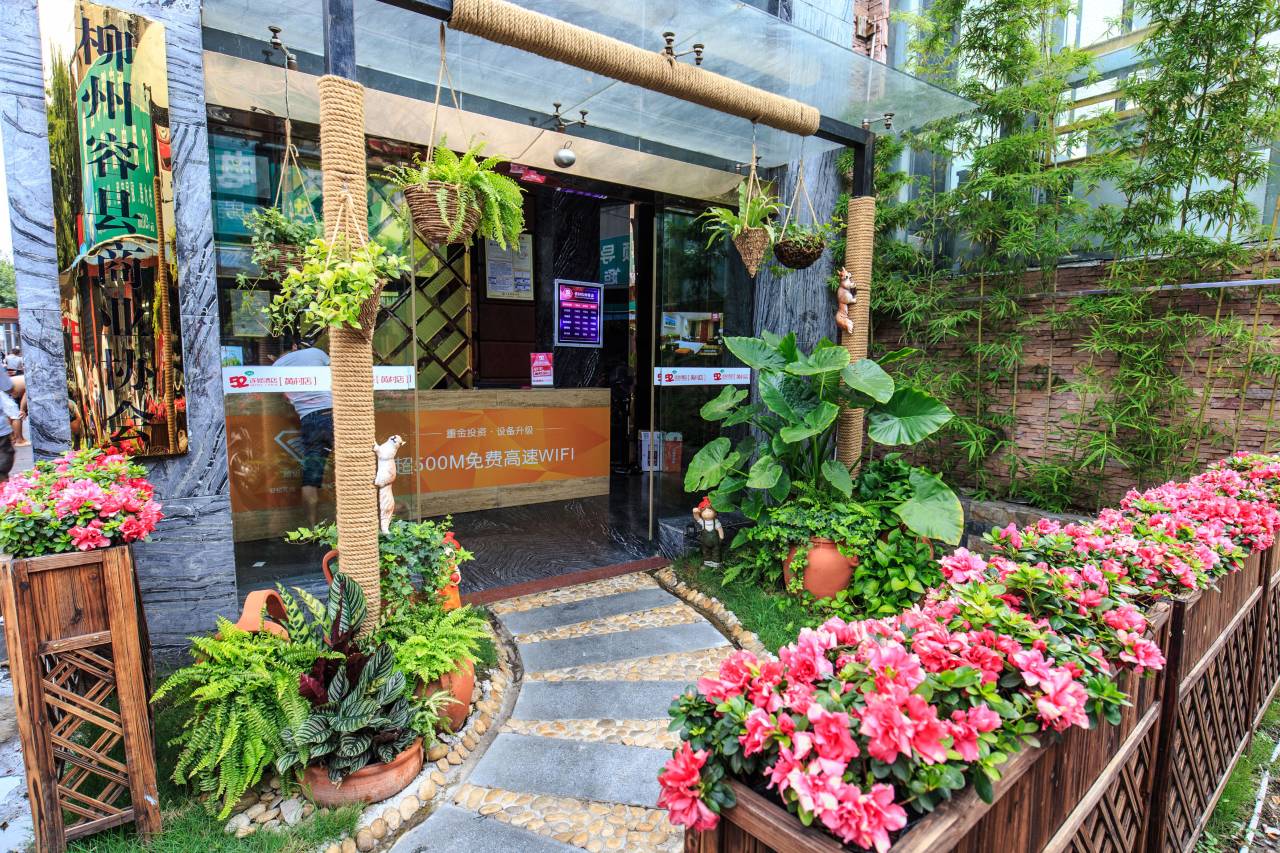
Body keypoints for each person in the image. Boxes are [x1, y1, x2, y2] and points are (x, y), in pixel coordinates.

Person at [274, 336, 333, 526]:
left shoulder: (276, 366)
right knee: (355, 465)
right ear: (295, 346)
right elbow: (338, 376)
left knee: (311, 476)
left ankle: (312, 528)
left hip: (309, 419)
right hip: (333, 414)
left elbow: (284, 397)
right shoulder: (317, 353)